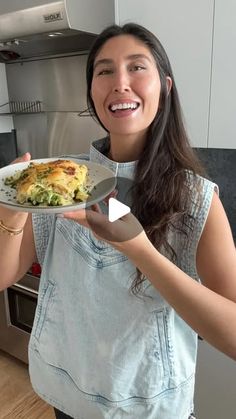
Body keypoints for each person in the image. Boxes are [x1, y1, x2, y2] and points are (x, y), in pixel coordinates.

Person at [0, 23, 236, 419]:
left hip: (151, 407)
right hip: (67, 394)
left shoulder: (197, 199)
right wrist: (10, 211)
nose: (120, 83)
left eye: (137, 67)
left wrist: (140, 250)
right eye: (104, 70)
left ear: (165, 85)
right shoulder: (64, 183)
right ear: (91, 91)